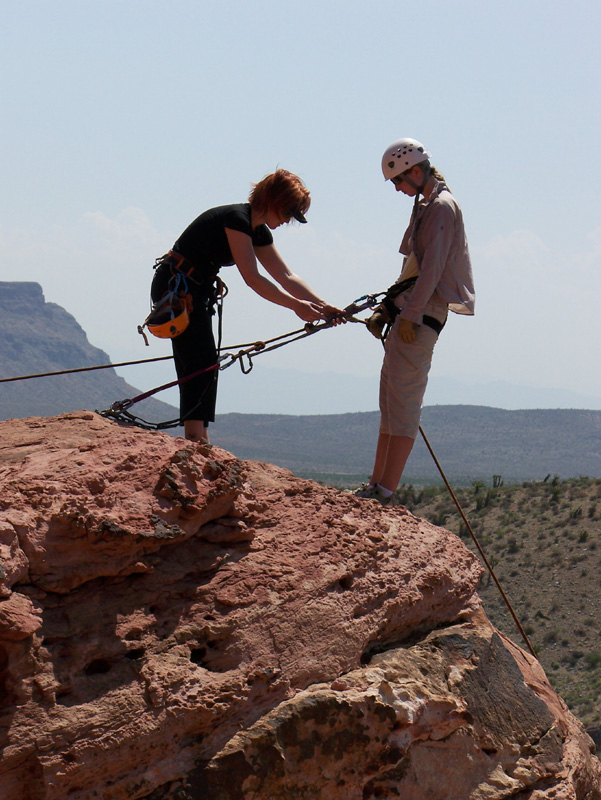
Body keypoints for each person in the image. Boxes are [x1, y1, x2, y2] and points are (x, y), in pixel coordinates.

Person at [150, 168, 343, 443]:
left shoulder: (257, 231)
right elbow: (252, 278)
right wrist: (297, 307)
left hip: (195, 288)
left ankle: (198, 436)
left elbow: (286, 276)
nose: (288, 220)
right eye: (288, 212)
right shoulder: (237, 219)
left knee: (206, 360)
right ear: (273, 200)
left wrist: (322, 306)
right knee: (198, 359)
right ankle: (195, 439)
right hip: (178, 286)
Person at [356, 138, 475, 506]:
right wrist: (389, 310)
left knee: (403, 405)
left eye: (398, 181)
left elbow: (433, 269)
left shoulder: (441, 207)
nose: (397, 188)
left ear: (417, 171)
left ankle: (386, 491)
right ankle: (376, 485)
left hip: (422, 313)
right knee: (391, 403)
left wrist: (407, 315)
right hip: (412, 310)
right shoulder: (427, 206)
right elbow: (413, 269)